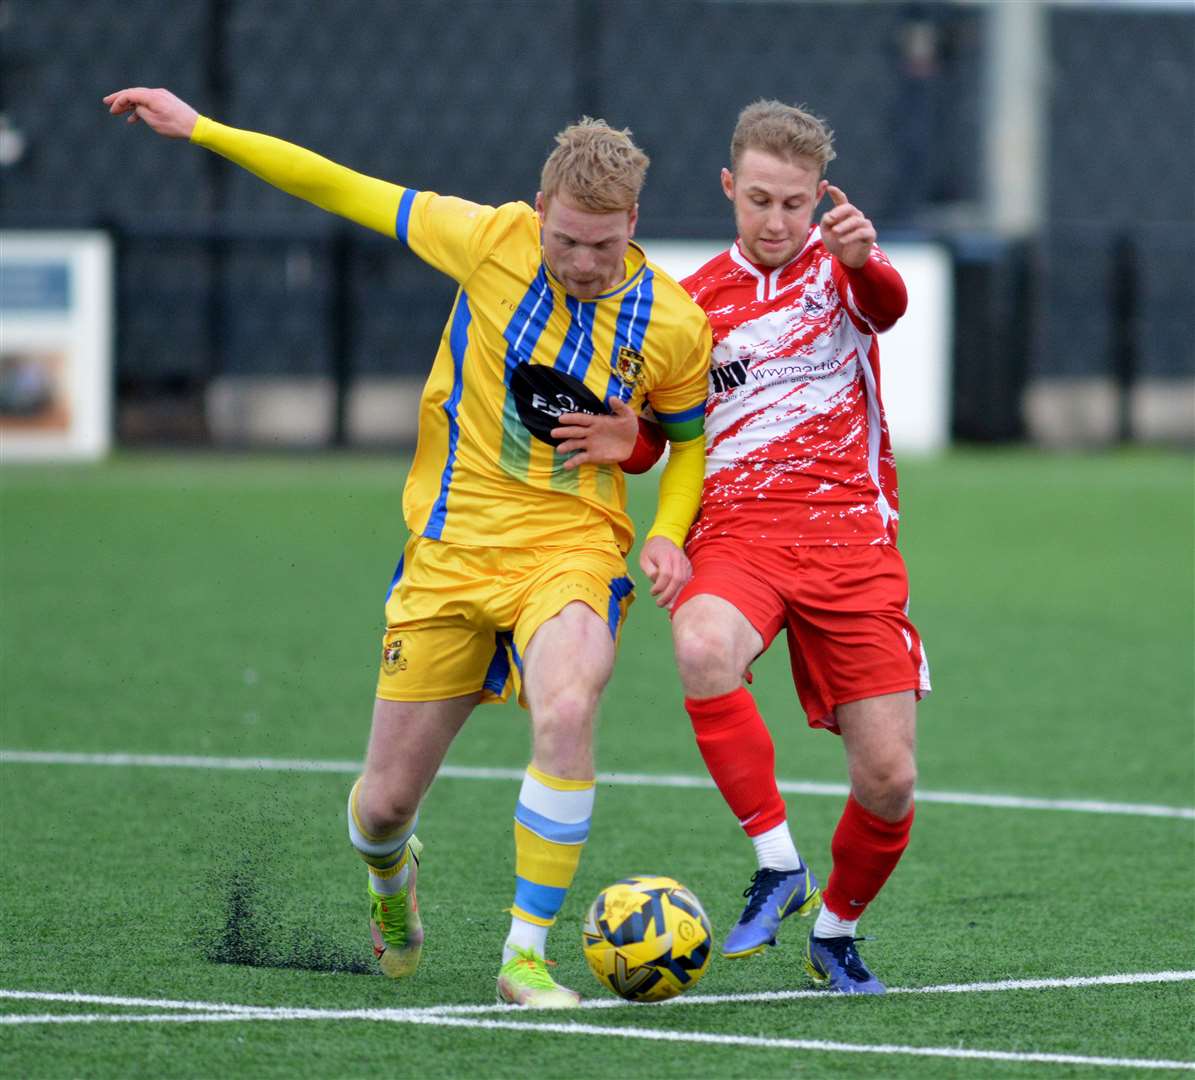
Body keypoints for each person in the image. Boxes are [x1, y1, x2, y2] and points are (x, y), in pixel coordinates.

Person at [103, 87, 710, 1008]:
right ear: (539, 211)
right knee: (382, 807)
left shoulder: (672, 322)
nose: (585, 262)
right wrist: (205, 130)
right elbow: (342, 185)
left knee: (569, 708)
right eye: (567, 240)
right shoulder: (485, 238)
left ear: (635, 220)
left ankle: (524, 956)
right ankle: (392, 882)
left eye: (605, 242)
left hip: (572, 546)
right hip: (449, 551)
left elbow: (686, 442)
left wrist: (662, 526)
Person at [600, 99, 930, 994]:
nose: (776, 221)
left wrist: (863, 260)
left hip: (852, 543)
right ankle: (778, 863)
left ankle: (836, 930)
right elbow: (655, 441)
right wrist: (620, 435)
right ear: (726, 189)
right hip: (739, 536)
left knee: (890, 778)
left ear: (819, 196)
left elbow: (887, 305)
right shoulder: (692, 305)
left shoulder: (844, 272)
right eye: (758, 201)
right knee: (700, 644)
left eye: (793, 203)